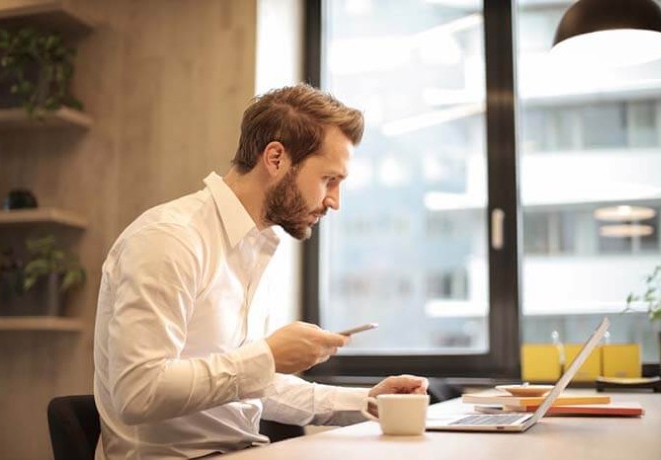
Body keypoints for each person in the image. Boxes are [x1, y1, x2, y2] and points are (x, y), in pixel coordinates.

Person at [93, 83, 428, 459]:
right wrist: (266, 356)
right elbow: (137, 393)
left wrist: (366, 402)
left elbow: (246, 384)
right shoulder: (169, 239)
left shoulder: (252, 247)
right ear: (275, 158)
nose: (334, 202)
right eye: (328, 180)